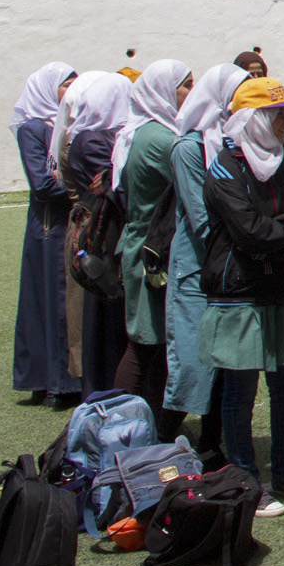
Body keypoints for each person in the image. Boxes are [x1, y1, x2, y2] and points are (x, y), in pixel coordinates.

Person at [202, 77, 284, 516]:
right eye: (279, 114)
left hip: (280, 286)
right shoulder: (225, 167)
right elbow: (251, 231)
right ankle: (247, 478)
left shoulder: (283, 164)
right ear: (255, 120)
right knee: (239, 392)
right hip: (239, 293)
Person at [166, 64, 243, 464]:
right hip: (199, 268)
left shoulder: (233, 143)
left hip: (228, 265)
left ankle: (212, 445)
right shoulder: (189, 148)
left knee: (225, 362)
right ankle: (163, 444)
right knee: (195, 363)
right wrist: (250, 233)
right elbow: (201, 219)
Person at [112, 60, 192, 425]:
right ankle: (118, 426)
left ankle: (152, 424)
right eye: (185, 85)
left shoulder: (144, 130)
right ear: (164, 90)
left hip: (142, 245)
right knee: (144, 345)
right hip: (153, 251)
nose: (192, 93)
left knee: (154, 344)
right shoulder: (161, 139)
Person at [55, 70, 132, 395]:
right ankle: (104, 394)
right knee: (102, 320)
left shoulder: (101, 135)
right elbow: (117, 187)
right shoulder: (91, 139)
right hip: (100, 238)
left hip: (106, 231)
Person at [9, 61, 80, 405]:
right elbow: (41, 184)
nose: (73, 89)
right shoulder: (33, 129)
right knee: (52, 300)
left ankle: (64, 378)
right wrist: (83, 185)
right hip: (50, 226)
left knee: (65, 300)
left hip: (66, 222)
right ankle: (56, 382)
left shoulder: (72, 125)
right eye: (67, 84)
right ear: (49, 89)